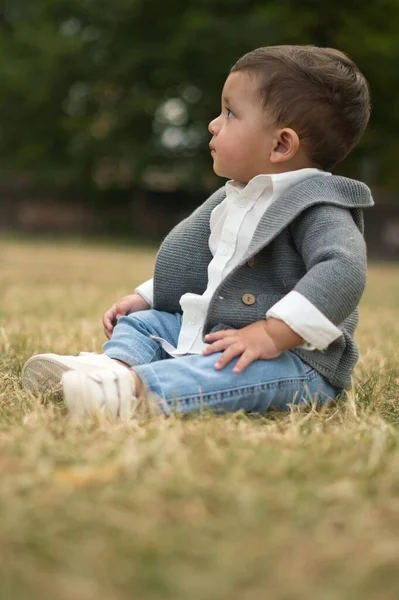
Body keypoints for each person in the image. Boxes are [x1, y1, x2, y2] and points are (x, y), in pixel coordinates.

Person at [22, 45, 374, 419]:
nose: (213, 123)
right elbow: (212, 265)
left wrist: (272, 334)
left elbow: (344, 269)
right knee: (144, 324)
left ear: (281, 144)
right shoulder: (235, 197)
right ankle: (115, 370)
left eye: (230, 113)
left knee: (232, 372)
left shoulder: (319, 205)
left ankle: (137, 392)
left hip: (295, 361)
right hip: (220, 332)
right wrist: (149, 295)